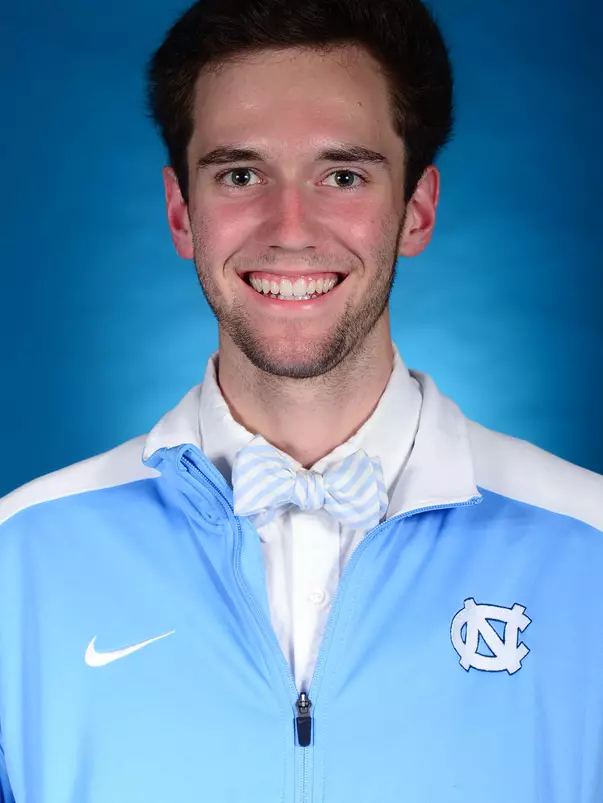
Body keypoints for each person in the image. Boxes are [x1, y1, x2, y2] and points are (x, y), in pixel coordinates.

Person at [1, 0, 602, 799]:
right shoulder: (19, 560)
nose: (290, 228)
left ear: (415, 209)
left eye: (342, 174)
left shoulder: (588, 549)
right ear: (183, 212)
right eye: (240, 174)